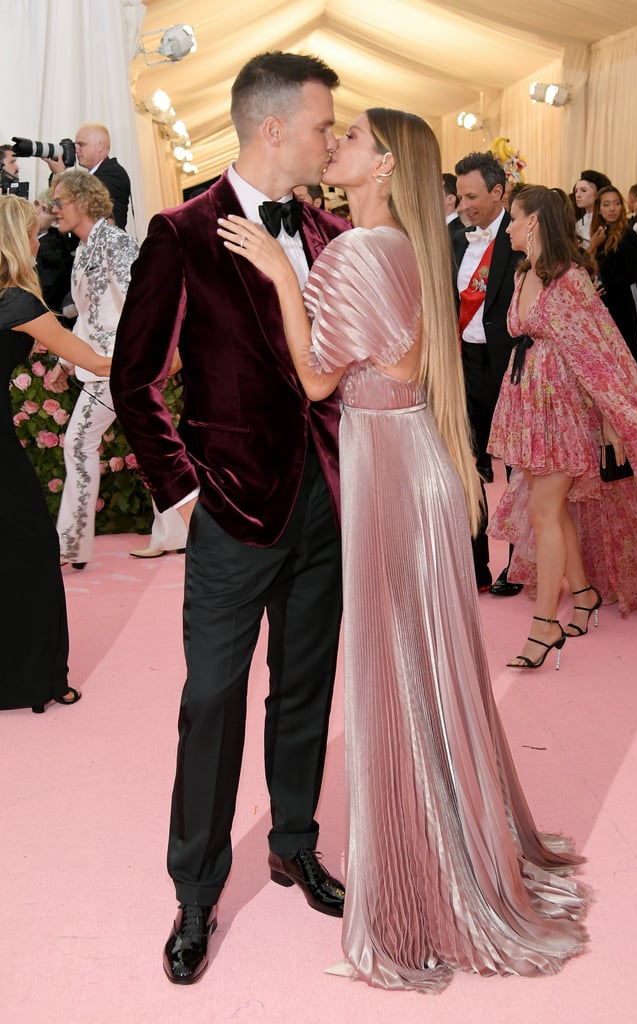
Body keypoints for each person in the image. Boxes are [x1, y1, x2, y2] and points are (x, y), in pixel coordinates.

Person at [218, 108, 588, 991]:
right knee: (423, 668)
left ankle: (431, 883)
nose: (329, 143)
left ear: (381, 164)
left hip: (385, 467)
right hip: (410, 457)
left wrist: (276, 273)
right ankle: (459, 852)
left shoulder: (357, 249)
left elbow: (314, 380)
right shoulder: (402, 244)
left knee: (397, 673)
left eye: (344, 137)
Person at [110, 51, 349, 986]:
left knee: (305, 686)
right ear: (274, 127)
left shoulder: (329, 231)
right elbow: (134, 378)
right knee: (209, 700)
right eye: (325, 124)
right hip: (230, 511)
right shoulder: (180, 232)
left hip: (323, 502)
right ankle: (197, 893)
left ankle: (293, 840)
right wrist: (184, 489)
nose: (333, 139)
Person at [486, 186, 637, 668]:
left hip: (563, 409)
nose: (507, 227)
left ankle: (545, 626)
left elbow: (603, 353)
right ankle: (584, 595)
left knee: (545, 513)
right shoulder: (526, 272)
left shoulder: (570, 280)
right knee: (555, 510)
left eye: (513, 219)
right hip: (528, 405)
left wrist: (615, 420)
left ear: (533, 223)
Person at [0, 195, 111, 712]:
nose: (38, 240)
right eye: (32, 232)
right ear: (16, 239)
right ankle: (41, 679)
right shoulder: (20, 305)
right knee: (35, 553)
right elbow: (95, 361)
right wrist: (168, 351)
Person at [51, 170, 138, 570]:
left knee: (79, 441)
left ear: (84, 201)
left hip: (119, 367)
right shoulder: (86, 246)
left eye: (60, 201)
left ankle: (71, 543)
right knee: (154, 448)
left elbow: (141, 301)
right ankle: (73, 543)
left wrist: (143, 359)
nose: (55, 211)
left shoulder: (115, 241)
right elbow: (88, 316)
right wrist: (66, 359)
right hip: (102, 367)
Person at [452, 150, 523, 596]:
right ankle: (474, 563)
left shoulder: (520, 238)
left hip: (513, 369)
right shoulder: (456, 238)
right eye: (459, 197)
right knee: (468, 466)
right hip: (465, 367)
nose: (462, 206)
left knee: (518, 470)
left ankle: (519, 565)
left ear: (498, 193)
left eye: (472, 197)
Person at [588, 186, 637, 370]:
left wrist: (606, 288)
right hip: (603, 303)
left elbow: (632, 274)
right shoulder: (600, 234)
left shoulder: (628, 234)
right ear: (599, 209)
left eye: (616, 203)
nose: (612, 209)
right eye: (607, 204)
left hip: (622, 303)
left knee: (628, 356)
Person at [44, 123, 131, 229]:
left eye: (81, 144)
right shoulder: (90, 176)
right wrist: (57, 174)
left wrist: (60, 175)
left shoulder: (114, 174)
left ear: (100, 146)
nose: (76, 150)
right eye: (75, 145)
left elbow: (83, 205)